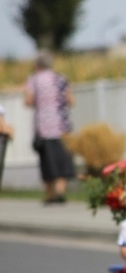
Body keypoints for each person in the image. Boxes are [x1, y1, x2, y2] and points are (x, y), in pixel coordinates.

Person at [24, 50, 76, 205]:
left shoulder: (34, 80)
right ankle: (61, 191)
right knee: (62, 159)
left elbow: (28, 101)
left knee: (47, 161)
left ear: (37, 65)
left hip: (44, 127)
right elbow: (71, 100)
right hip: (62, 126)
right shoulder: (61, 78)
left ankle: (50, 194)